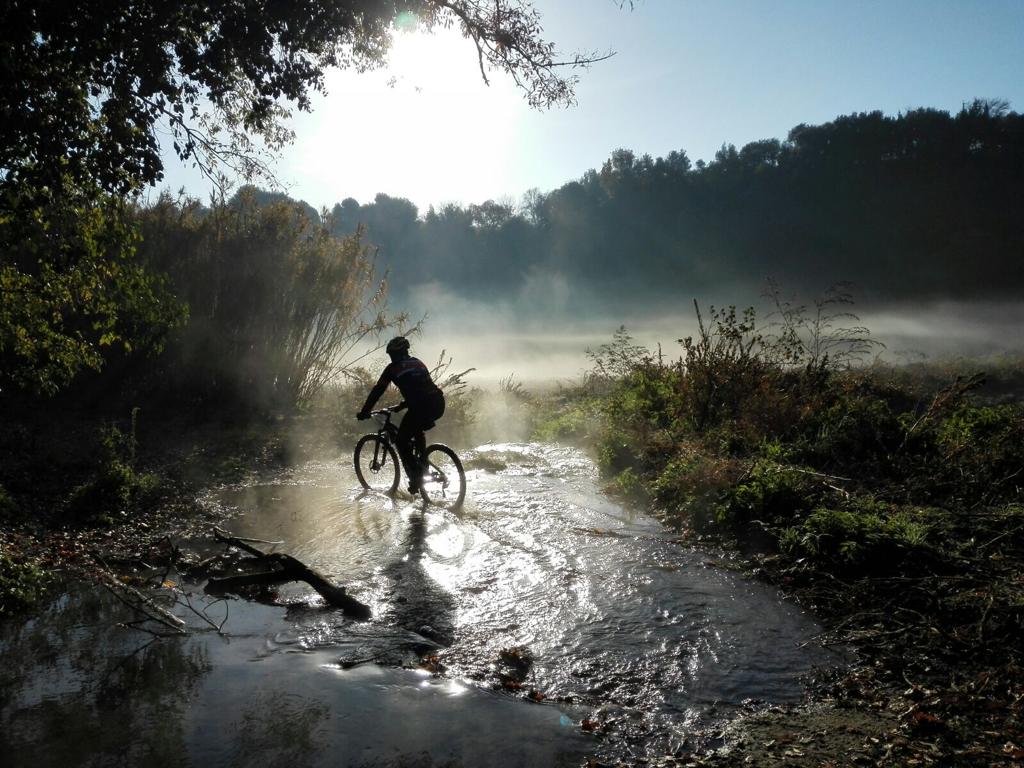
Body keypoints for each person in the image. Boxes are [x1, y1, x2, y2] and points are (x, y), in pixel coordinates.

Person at [357, 336, 445, 494]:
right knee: (416, 428)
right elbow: (422, 388)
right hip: (438, 403)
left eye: (391, 354)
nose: (391, 357)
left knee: (401, 441)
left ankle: (416, 477)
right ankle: (423, 463)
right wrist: (403, 405)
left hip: (420, 406)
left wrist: (365, 411)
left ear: (395, 354)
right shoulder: (418, 362)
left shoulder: (392, 368)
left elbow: (378, 390)